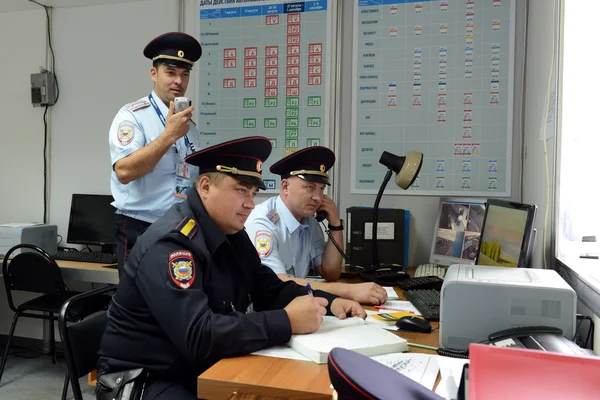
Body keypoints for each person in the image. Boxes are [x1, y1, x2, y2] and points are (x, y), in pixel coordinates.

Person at [96, 136, 365, 400]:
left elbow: (268, 288)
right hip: (145, 378)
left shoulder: (229, 232)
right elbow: (199, 336)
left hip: (193, 365)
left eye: (254, 192)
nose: (250, 203)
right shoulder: (172, 244)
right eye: (240, 190)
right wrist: (285, 321)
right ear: (204, 186)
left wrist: (330, 303)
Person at [245, 147, 388, 306]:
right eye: (310, 187)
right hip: (264, 311)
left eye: (321, 189)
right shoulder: (263, 222)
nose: (318, 198)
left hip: (294, 303)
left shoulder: (309, 222)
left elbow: (330, 272)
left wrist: (335, 223)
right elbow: (278, 282)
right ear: (285, 187)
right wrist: (349, 291)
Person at [108, 32, 202, 272]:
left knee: (176, 301)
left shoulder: (189, 126)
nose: (178, 82)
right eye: (170, 73)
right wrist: (169, 135)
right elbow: (125, 171)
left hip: (182, 226)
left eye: (184, 74)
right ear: (154, 74)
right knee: (138, 303)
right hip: (142, 226)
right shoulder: (132, 116)